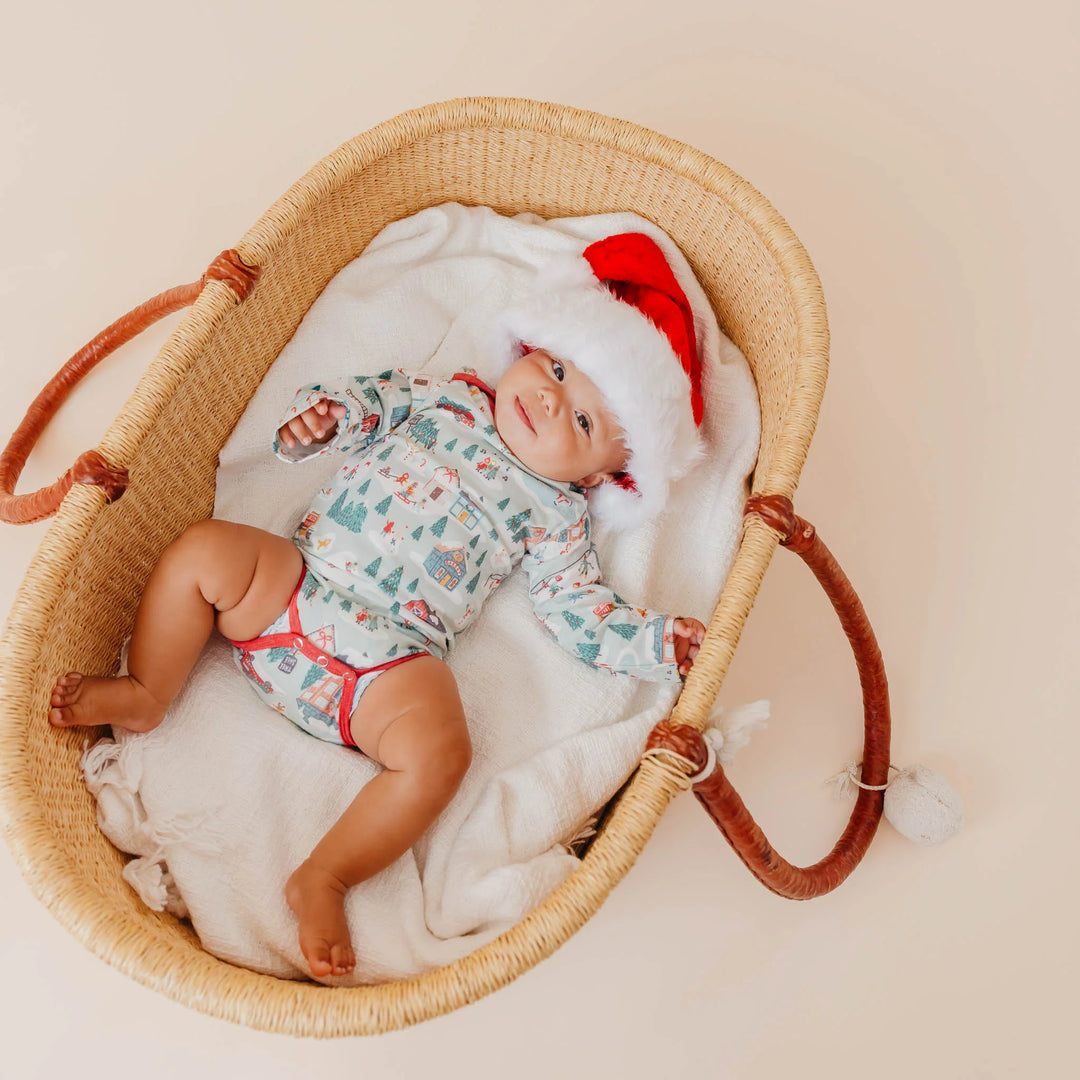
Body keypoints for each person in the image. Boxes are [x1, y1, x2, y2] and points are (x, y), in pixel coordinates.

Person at [48, 231, 710, 978]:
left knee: (443, 754)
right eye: (556, 367)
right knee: (204, 550)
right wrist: (324, 416)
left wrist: (658, 643)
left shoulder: (559, 517)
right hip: (293, 588)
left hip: (386, 663)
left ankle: (324, 876)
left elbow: (577, 610)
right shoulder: (453, 397)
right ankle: (147, 691)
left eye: (584, 422)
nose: (552, 399)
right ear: (529, 345)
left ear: (602, 479)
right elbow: (371, 400)